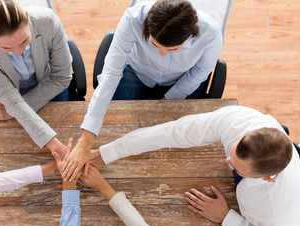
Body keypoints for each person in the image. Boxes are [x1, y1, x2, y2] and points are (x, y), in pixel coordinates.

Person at [89, 106, 300, 226]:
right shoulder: (239, 121)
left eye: (237, 167)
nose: (227, 162)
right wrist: (108, 152)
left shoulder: (278, 213)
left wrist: (227, 218)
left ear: (266, 179)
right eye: (232, 153)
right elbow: (175, 132)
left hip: (260, 217)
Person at [62, 0, 222, 181]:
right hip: (137, 72)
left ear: (190, 36)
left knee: (172, 139)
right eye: (154, 45)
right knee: (116, 126)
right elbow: (110, 75)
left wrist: (167, 101)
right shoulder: (132, 19)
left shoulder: (211, 34)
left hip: (181, 81)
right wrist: (85, 140)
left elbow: (199, 74)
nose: (161, 54)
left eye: (173, 50)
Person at [0, 0, 72, 156]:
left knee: (65, 129)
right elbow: (11, 99)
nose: (19, 52)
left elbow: (61, 77)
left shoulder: (48, 21)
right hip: (4, 95)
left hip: (48, 85)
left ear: (27, 18)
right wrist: (51, 142)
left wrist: (14, 111)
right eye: (6, 48)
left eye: (24, 41)